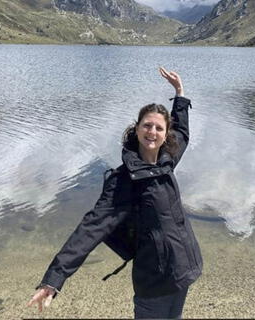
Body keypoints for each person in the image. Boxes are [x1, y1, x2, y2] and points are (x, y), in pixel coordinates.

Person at [27, 67, 202, 319]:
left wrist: (180, 94)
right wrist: (54, 279)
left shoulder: (166, 161)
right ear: (137, 129)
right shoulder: (123, 181)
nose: (152, 132)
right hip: (153, 281)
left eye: (159, 128)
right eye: (147, 126)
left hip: (184, 270)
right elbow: (91, 228)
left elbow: (182, 132)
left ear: (165, 135)